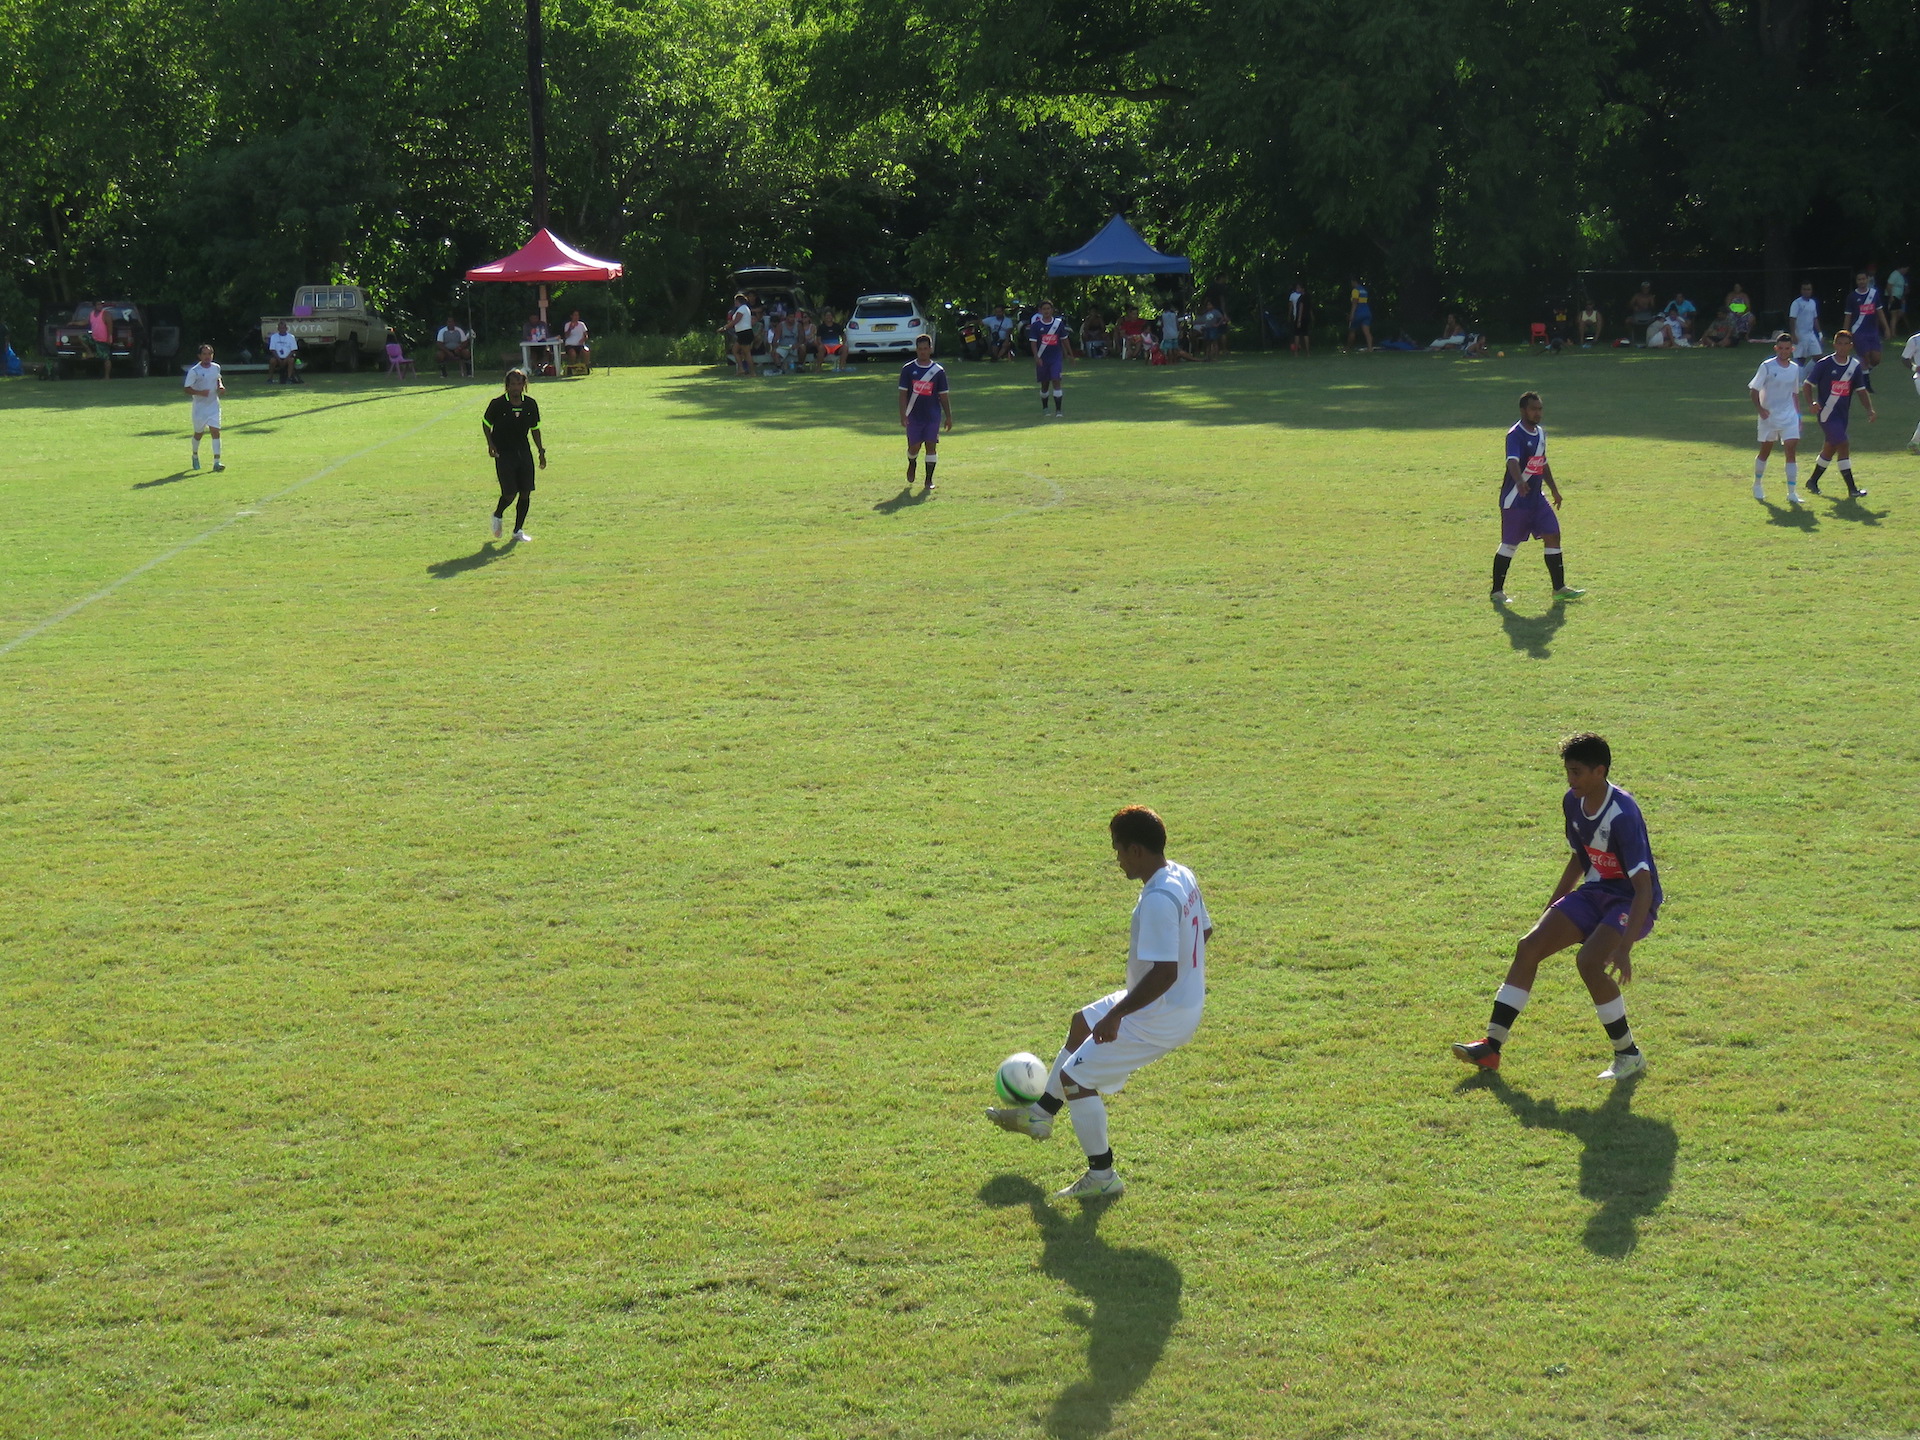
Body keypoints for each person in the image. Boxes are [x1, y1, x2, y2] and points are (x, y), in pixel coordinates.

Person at [985, 805, 1211, 1199]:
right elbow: (1204, 933)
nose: (1117, 860)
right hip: (1168, 1001)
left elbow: (1164, 973)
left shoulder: (1158, 897)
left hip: (1162, 1013)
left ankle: (1103, 1176)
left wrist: (1118, 1015)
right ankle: (1039, 1116)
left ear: (1137, 851)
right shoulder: (1182, 874)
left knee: (1077, 1079)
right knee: (1081, 1022)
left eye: (1119, 850)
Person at [1453, 733, 1659, 1082]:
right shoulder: (1572, 802)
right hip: (1595, 893)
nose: (1571, 779)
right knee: (1529, 946)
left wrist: (1625, 948)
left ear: (1600, 771)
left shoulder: (1622, 814)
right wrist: (1553, 907)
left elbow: (1644, 887)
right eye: (1568, 771)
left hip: (1630, 900)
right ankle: (1491, 1048)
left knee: (1589, 962)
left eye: (1577, 772)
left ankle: (1628, 1054)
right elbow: (1580, 858)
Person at [1491, 390, 1584, 605]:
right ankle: (1497, 591)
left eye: (1540, 409)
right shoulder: (1515, 434)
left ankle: (1559, 588)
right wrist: (1519, 481)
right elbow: (1512, 461)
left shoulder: (1541, 433)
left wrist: (1554, 489)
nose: (1538, 413)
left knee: (1553, 534)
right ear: (1523, 410)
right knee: (1510, 544)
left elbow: (1541, 462)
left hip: (1536, 499)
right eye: (1533, 409)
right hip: (1516, 499)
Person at [1801, 329, 1874, 498]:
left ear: (1851, 346)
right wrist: (1811, 403)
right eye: (1839, 343)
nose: (1842, 347)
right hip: (1826, 414)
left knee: (1830, 447)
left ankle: (1812, 481)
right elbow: (1807, 385)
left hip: (1842, 415)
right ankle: (1852, 489)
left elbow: (1861, 390)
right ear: (1834, 344)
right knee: (1843, 444)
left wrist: (1869, 409)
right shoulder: (1824, 364)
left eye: (1845, 344)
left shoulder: (1854, 366)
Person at [482, 368, 547, 542]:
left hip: (523, 452)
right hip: (504, 453)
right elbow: (486, 424)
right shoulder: (498, 404)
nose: (516, 387)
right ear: (507, 386)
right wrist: (491, 444)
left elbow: (535, 429)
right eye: (513, 384)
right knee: (510, 494)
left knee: (525, 492)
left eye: (519, 384)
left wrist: (541, 451)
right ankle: (498, 514)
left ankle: (518, 530)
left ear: (524, 385)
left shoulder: (530, 404)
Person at [1748, 331, 1807, 504]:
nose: (1783, 351)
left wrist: (1798, 416)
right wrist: (1760, 409)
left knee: (1791, 451)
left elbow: (1795, 394)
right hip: (1769, 416)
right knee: (1765, 451)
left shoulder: (1795, 369)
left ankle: (1792, 492)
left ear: (1792, 349)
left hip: (1789, 416)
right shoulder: (1767, 366)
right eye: (1780, 348)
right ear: (1776, 348)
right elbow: (1754, 390)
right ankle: (1757, 483)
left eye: (1787, 348)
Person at [897, 333, 951, 494]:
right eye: (920, 349)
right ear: (916, 350)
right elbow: (902, 394)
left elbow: (943, 395)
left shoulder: (938, 371)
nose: (923, 352)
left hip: (932, 414)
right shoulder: (908, 370)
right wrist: (903, 414)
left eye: (925, 349)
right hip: (913, 414)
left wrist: (948, 416)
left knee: (931, 446)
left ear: (930, 349)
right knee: (914, 447)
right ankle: (912, 462)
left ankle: (929, 479)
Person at [182, 343, 225, 471]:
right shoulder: (195, 371)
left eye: (209, 354)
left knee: (215, 431)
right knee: (198, 434)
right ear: (199, 356)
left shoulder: (216, 367)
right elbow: (187, 388)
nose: (207, 357)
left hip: (213, 405)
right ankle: (195, 455)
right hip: (199, 408)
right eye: (204, 354)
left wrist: (220, 386)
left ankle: (217, 462)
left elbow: (217, 378)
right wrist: (200, 393)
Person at [1029, 299, 1072, 416]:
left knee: (1056, 381)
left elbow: (1064, 340)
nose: (1046, 311)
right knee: (1044, 384)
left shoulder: (1058, 324)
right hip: (1043, 358)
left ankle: (1058, 410)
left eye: (1048, 309)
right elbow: (1033, 342)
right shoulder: (1036, 326)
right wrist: (1036, 356)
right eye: (1044, 309)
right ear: (1040, 311)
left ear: (1052, 310)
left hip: (1055, 357)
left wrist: (1070, 354)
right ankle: (1045, 407)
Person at [1844, 272, 1884, 368]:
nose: (1862, 281)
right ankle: (1864, 380)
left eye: (1863, 279)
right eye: (1859, 279)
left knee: (1876, 359)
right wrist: (1845, 333)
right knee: (1865, 356)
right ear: (1856, 281)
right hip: (1858, 331)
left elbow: (1880, 311)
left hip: (1872, 331)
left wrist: (1886, 328)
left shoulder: (1874, 294)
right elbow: (1848, 316)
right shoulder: (1852, 296)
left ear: (1867, 280)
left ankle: (1858, 369)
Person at [1789, 281, 1822, 361]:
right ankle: (1800, 373)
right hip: (1800, 335)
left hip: (1810, 334)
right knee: (1800, 359)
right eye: (1804, 289)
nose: (1806, 291)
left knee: (1818, 357)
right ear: (1801, 290)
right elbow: (1792, 319)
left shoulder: (1812, 303)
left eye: (1808, 289)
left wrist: (1820, 333)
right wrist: (1793, 335)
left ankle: (1810, 372)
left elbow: (1815, 319)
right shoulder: (1796, 303)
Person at [724, 292, 754, 376]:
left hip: (745, 333)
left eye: (735, 301)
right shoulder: (743, 309)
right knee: (735, 350)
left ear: (738, 301)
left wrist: (725, 327)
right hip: (741, 333)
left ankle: (752, 372)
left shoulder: (742, 309)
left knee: (746, 353)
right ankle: (741, 369)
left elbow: (735, 321)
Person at [1901, 327, 1920, 452]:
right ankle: (1915, 442)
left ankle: (1915, 442)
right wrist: (1915, 368)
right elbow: (1905, 358)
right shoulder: (1915, 340)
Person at [88, 301, 114, 380]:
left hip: (103, 340)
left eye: (101, 305)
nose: (100, 306)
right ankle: (90, 353)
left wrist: (109, 338)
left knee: (106, 358)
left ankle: (107, 376)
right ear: (94, 306)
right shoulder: (91, 314)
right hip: (94, 339)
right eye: (98, 304)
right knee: (82, 337)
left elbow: (110, 326)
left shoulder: (106, 314)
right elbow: (86, 322)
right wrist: (74, 323)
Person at [1345, 279, 1374, 351]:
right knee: (1367, 332)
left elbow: (1355, 303)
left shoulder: (1355, 290)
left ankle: (1347, 348)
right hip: (1367, 312)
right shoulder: (1364, 290)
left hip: (1358, 313)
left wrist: (1351, 314)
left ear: (1354, 281)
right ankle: (1370, 348)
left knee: (1352, 330)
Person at [817, 307, 848, 372]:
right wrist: (821, 344)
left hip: (836, 346)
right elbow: (818, 339)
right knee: (820, 348)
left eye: (830, 315)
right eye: (827, 315)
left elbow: (843, 336)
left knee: (845, 348)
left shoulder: (837, 326)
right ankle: (818, 368)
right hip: (826, 347)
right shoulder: (821, 327)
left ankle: (841, 367)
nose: (829, 317)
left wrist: (843, 343)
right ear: (824, 317)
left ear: (832, 317)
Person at [1288, 280, 1313, 354]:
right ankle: (1308, 352)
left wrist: (1298, 319)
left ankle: (1296, 352)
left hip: (1300, 318)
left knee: (1297, 334)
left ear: (1302, 289)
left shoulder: (1301, 298)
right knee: (1306, 334)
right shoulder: (1308, 296)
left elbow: (1301, 308)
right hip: (1306, 318)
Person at [1887, 263, 1909, 341]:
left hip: (1899, 298)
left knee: (1898, 315)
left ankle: (1893, 331)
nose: (1906, 271)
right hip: (1894, 297)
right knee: (1894, 316)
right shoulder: (1894, 274)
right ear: (1902, 268)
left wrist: (1902, 298)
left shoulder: (1901, 276)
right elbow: (1889, 286)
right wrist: (1891, 297)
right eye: (1906, 269)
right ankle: (1892, 333)